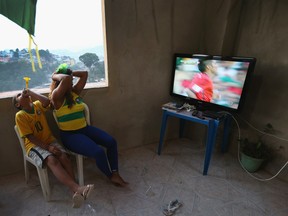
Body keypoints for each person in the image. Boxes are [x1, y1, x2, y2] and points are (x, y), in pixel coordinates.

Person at [49, 63, 128, 187]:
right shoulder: (56, 96)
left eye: (71, 79)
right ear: (60, 82)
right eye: (69, 80)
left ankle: (115, 171)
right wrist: (55, 75)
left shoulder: (74, 92)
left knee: (111, 142)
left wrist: (70, 73)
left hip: (84, 129)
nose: (71, 82)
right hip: (70, 135)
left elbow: (84, 74)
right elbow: (66, 79)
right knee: (98, 152)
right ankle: (111, 176)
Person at [13, 89, 94, 208]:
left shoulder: (37, 105)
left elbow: (47, 102)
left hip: (49, 140)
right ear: (17, 104)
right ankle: (78, 188)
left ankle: (76, 192)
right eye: (19, 95)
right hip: (34, 146)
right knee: (52, 160)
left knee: (64, 156)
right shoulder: (20, 115)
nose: (23, 94)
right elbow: (30, 137)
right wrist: (48, 148)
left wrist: (31, 93)